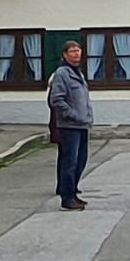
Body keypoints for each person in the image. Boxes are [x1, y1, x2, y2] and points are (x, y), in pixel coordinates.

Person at [47, 41, 93, 211]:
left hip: (82, 124)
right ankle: (67, 198)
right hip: (70, 125)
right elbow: (56, 99)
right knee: (70, 161)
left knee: (81, 160)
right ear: (65, 54)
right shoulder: (62, 73)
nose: (76, 54)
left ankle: (73, 192)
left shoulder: (78, 73)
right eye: (72, 52)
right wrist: (72, 114)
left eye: (78, 51)